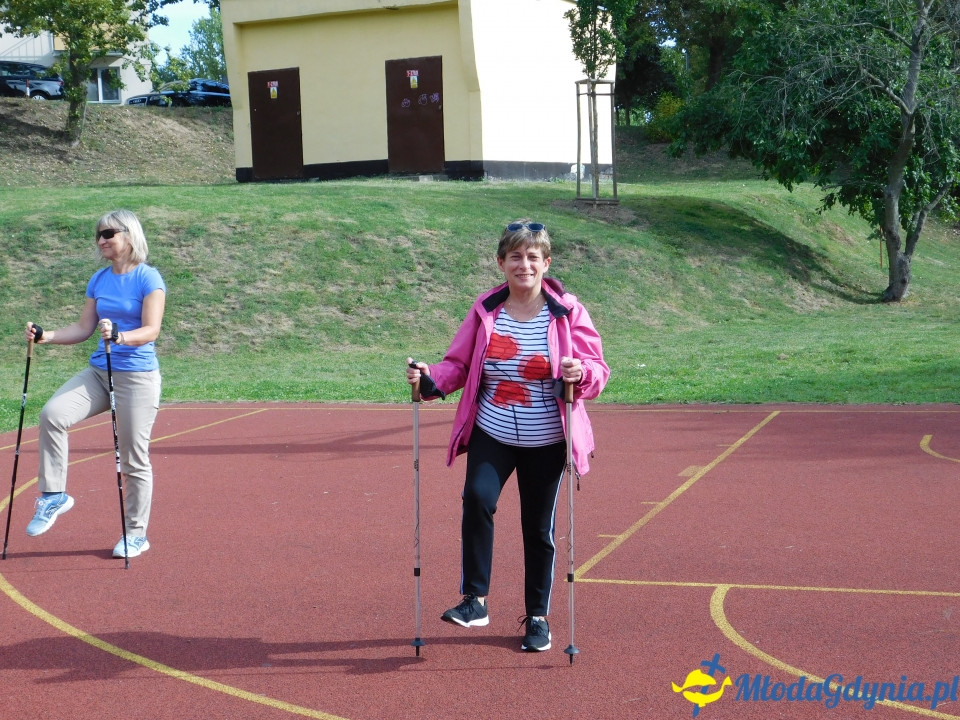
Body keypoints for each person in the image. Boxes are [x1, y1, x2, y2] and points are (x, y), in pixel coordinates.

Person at [406, 219, 609, 652]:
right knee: (477, 498)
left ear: (546, 263)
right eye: (515, 256)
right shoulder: (486, 309)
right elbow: (458, 364)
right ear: (501, 263)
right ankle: (475, 600)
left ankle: (537, 618)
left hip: (547, 440)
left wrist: (582, 371)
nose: (524, 264)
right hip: (492, 432)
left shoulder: (568, 312)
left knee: (538, 529)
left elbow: (597, 370)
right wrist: (429, 379)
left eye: (532, 257)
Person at [24, 209, 166, 558]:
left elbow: (152, 330)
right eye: (98, 235)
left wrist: (120, 335)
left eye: (108, 233)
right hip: (99, 373)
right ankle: (54, 495)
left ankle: (135, 534)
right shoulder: (99, 280)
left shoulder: (149, 279)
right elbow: (84, 328)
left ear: (129, 236)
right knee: (52, 415)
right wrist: (47, 336)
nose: (101, 240)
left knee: (133, 458)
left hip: (136, 377)